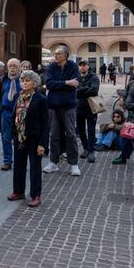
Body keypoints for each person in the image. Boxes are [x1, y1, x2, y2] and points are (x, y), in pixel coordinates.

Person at [9, 70, 48, 207]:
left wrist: (42, 144)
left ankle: (36, 195)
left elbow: (45, 123)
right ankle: (18, 191)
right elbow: (14, 116)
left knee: (35, 167)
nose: (24, 83)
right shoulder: (17, 96)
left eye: (27, 81)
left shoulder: (41, 99)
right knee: (18, 166)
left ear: (34, 83)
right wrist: (13, 134)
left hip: (34, 138)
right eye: (22, 81)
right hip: (20, 137)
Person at [42, 48, 81, 176]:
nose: (56, 55)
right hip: (53, 106)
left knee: (71, 134)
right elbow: (49, 84)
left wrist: (59, 84)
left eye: (58, 53)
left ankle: (74, 164)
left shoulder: (73, 66)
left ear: (66, 55)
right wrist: (67, 82)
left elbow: (76, 83)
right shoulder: (51, 67)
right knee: (54, 135)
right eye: (55, 53)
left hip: (69, 106)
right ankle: (53, 163)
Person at [0, 59, 22, 171]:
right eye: (10, 66)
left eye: (14, 65)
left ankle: (20, 161)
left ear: (19, 67)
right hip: (6, 112)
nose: (12, 68)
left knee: (20, 137)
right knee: (6, 137)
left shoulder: (23, 79)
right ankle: (7, 161)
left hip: (20, 112)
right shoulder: (3, 79)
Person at [75, 59, 100, 165]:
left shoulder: (94, 77)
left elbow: (94, 90)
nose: (82, 67)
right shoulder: (76, 77)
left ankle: (91, 152)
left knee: (91, 130)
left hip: (91, 108)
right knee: (80, 130)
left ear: (88, 67)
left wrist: (79, 90)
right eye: (80, 65)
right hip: (78, 107)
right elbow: (73, 91)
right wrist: (86, 89)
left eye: (84, 65)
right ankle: (85, 148)